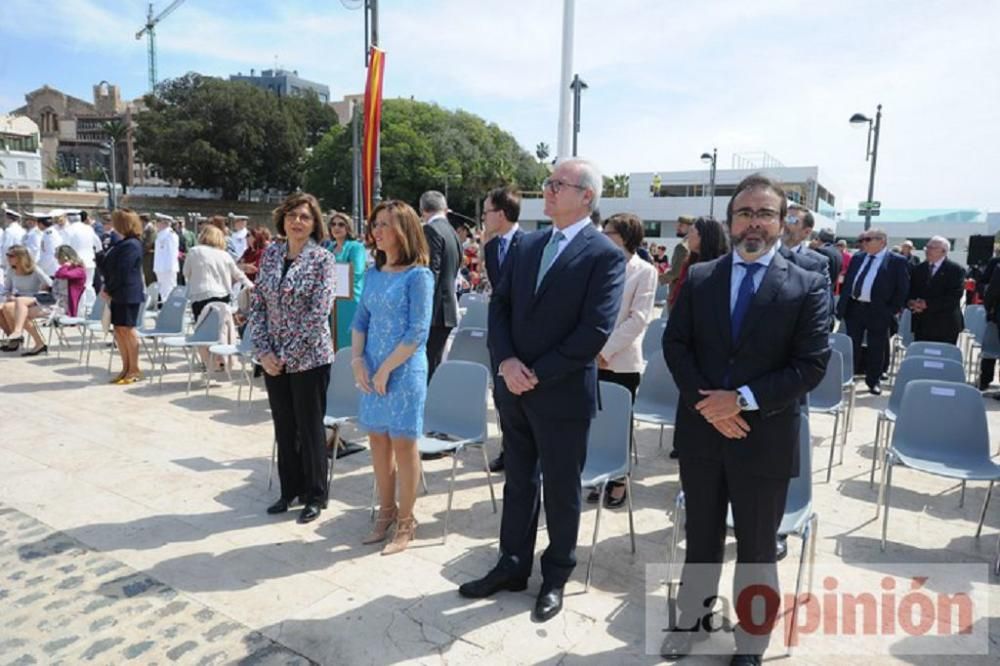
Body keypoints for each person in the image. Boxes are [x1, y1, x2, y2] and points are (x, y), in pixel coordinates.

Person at [660, 174, 830, 663]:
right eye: (744, 213)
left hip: (764, 437)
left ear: (782, 222)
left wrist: (742, 400)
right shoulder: (699, 277)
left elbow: (810, 365)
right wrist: (708, 404)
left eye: (765, 213)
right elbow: (677, 345)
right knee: (703, 537)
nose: (753, 222)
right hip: (702, 433)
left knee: (757, 547)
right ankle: (691, 620)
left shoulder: (807, 284)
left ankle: (751, 641)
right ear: (730, 220)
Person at [458, 158, 625, 624]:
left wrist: (533, 372)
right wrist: (508, 363)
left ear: (586, 196)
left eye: (558, 184)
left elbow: (593, 331)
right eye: (548, 183)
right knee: (519, 481)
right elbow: (502, 305)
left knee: (562, 489)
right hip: (515, 389)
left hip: (561, 394)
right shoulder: (529, 244)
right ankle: (512, 564)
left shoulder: (604, 255)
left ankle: (555, 575)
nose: (547, 191)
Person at [350, 200, 433, 555]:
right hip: (371, 369)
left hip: (404, 370)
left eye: (385, 224)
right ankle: (386, 512)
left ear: (404, 230)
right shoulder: (373, 273)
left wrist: (386, 368)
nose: (377, 231)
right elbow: (360, 321)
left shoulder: (419, 276)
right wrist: (357, 360)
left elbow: (418, 332)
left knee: (403, 442)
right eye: (375, 224)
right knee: (378, 441)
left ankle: (406, 521)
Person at [252, 193, 336, 525]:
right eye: (291, 215)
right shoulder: (271, 254)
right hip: (273, 358)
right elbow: (258, 305)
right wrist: (264, 353)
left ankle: (315, 495)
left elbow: (318, 315)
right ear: (282, 219)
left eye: (304, 216)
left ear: (315, 222)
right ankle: (290, 490)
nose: (296, 221)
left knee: (309, 426)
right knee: (284, 425)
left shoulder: (322, 260)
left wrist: (285, 355)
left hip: (310, 358)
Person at [588, 212, 657, 506]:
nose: (604, 235)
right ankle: (598, 473)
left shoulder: (644, 271)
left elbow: (638, 319)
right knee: (596, 420)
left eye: (610, 232)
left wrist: (605, 351)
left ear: (626, 237)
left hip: (621, 360)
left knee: (618, 422)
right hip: (591, 357)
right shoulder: (599, 265)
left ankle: (618, 479)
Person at [481, 186, 525, 472]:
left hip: (525, 335)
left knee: (523, 398)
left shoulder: (531, 243)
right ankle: (508, 450)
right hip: (499, 335)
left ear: (502, 213)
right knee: (501, 396)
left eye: (486, 212)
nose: (483, 217)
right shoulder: (491, 247)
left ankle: (524, 453)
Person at [836, 228, 910, 395]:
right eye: (863, 240)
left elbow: (902, 289)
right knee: (851, 345)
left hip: (878, 311)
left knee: (876, 347)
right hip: (855, 308)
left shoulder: (896, 261)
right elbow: (849, 282)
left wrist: (890, 310)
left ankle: (873, 380)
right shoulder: (858, 257)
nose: (864, 243)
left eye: (868, 240)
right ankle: (848, 377)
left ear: (882, 241)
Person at [418, 190, 462, 380]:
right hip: (447, 310)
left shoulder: (431, 230)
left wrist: (419, 308)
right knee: (433, 363)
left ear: (423, 209)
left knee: (426, 368)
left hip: (434, 312)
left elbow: (431, 273)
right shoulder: (452, 231)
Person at [101, 209, 146, 384]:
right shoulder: (122, 243)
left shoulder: (131, 244)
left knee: (128, 329)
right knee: (119, 330)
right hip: (118, 292)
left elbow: (123, 272)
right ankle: (126, 367)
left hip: (127, 293)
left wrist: (109, 288)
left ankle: (134, 369)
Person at [183, 225, 252, 320]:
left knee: (201, 326)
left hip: (200, 294)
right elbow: (238, 274)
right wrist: (251, 286)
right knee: (219, 327)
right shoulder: (225, 255)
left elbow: (186, 272)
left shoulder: (194, 251)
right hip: (222, 295)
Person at [906, 235, 964, 345]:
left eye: (932, 248)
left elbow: (954, 296)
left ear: (944, 251)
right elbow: (910, 291)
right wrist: (911, 302)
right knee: (922, 358)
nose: (927, 251)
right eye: (927, 247)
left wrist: (927, 304)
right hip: (921, 323)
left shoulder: (955, 270)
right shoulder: (918, 269)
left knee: (941, 359)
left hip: (945, 325)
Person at [324, 211, 367, 351]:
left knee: (348, 341)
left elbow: (357, 272)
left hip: (350, 300)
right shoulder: (329, 248)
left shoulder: (356, 247)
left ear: (348, 228)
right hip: (331, 300)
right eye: (333, 224)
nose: (336, 227)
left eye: (341, 224)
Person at [0, 245, 52, 355]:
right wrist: (9, 295)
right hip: (18, 300)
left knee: (9, 308)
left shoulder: (35, 270)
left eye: (11, 256)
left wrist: (43, 289)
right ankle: (14, 338)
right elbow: (6, 290)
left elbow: (50, 284)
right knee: (3, 308)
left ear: (20, 257)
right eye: (7, 255)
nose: (8, 258)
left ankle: (18, 339)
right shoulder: (11, 271)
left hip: (34, 300)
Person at [659, 215, 694, 311]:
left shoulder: (682, 246)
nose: (677, 228)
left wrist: (657, 278)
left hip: (677, 291)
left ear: (690, 227)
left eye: (681, 225)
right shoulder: (694, 243)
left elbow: (675, 273)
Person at [63, 210, 102, 286]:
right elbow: (98, 245)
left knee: (76, 287)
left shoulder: (68, 230)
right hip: (90, 262)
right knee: (88, 285)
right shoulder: (88, 228)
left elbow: (64, 247)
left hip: (75, 263)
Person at [53, 245, 88, 318]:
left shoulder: (79, 270)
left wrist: (65, 266)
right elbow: (57, 274)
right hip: (60, 302)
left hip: (69, 308)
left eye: (59, 258)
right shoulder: (66, 269)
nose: (58, 261)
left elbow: (62, 274)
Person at [153, 214, 180, 303]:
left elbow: (172, 254)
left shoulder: (170, 235)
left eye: (158, 221)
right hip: (160, 267)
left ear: (164, 223)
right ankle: (165, 309)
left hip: (167, 268)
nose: (156, 224)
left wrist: (170, 268)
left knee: (169, 291)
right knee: (163, 291)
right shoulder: (161, 234)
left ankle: (170, 311)